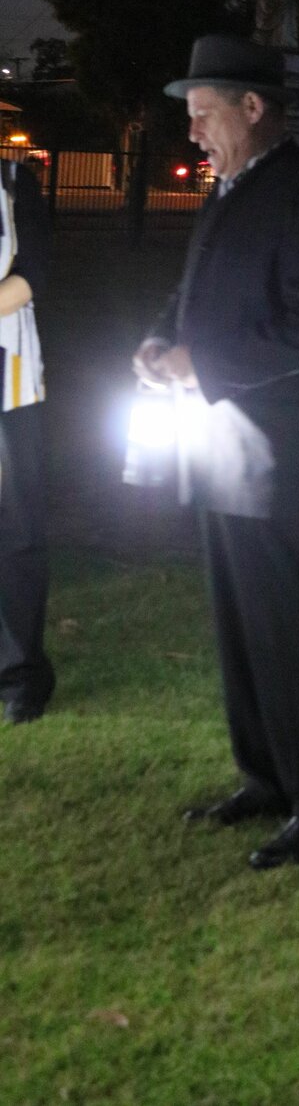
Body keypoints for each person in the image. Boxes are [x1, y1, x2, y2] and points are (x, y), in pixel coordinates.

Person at [132, 35, 299, 870]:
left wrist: (209, 364)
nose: (192, 134)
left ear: (253, 108)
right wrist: (162, 340)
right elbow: (197, 295)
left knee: (288, 619)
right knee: (237, 616)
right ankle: (263, 775)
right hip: (221, 435)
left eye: (203, 115)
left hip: (281, 444)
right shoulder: (233, 190)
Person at [0, 159, 53, 725]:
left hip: (8, 384)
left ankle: (20, 677)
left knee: (16, 534)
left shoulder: (15, 181)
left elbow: (36, 269)